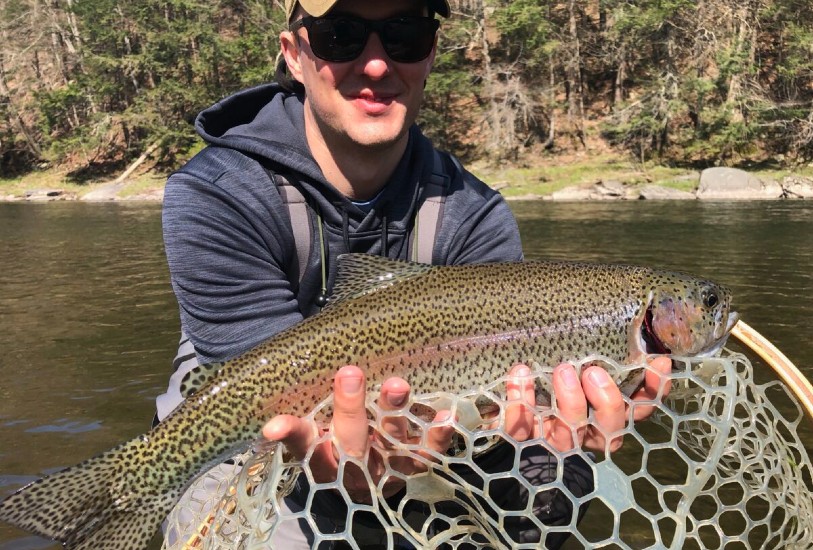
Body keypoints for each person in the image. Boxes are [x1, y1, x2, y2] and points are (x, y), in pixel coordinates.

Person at [156, 0, 672, 547]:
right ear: (294, 55)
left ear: (430, 53)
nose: (377, 63)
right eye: (340, 35)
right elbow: (266, 394)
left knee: (557, 480)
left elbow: (496, 393)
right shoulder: (220, 194)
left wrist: (517, 430)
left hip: (435, 440)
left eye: (404, 33)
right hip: (252, 444)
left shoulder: (475, 214)